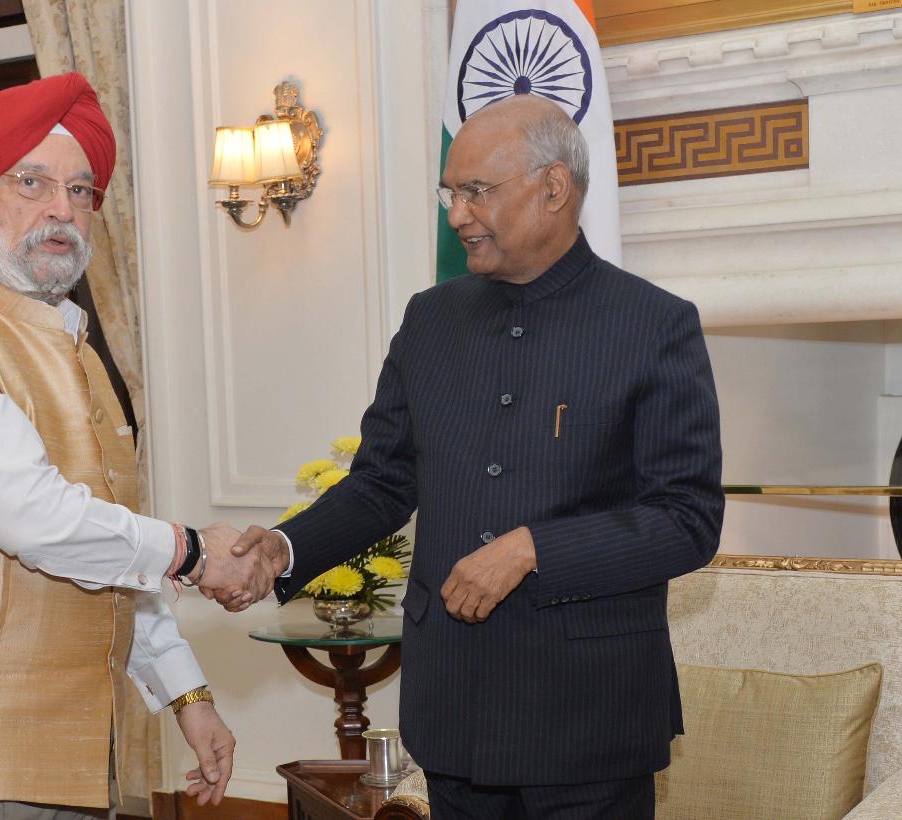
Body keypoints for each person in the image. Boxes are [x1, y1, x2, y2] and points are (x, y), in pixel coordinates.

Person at [232, 94, 724, 819]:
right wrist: (284, 548)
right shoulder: (430, 320)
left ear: (553, 188)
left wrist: (533, 549)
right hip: (453, 709)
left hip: (589, 720)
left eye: (476, 191)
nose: (457, 214)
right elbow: (382, 482)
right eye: (450, 193)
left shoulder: (655, 325)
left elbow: (687, 520)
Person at [0, 72, 274, 819]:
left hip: (68, 753)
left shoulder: (77, 352)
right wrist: (194, 551)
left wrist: (187, 695)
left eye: (80, 190)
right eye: (31, 183)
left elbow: (106, 549)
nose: (62, 209)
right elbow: (37, 520)